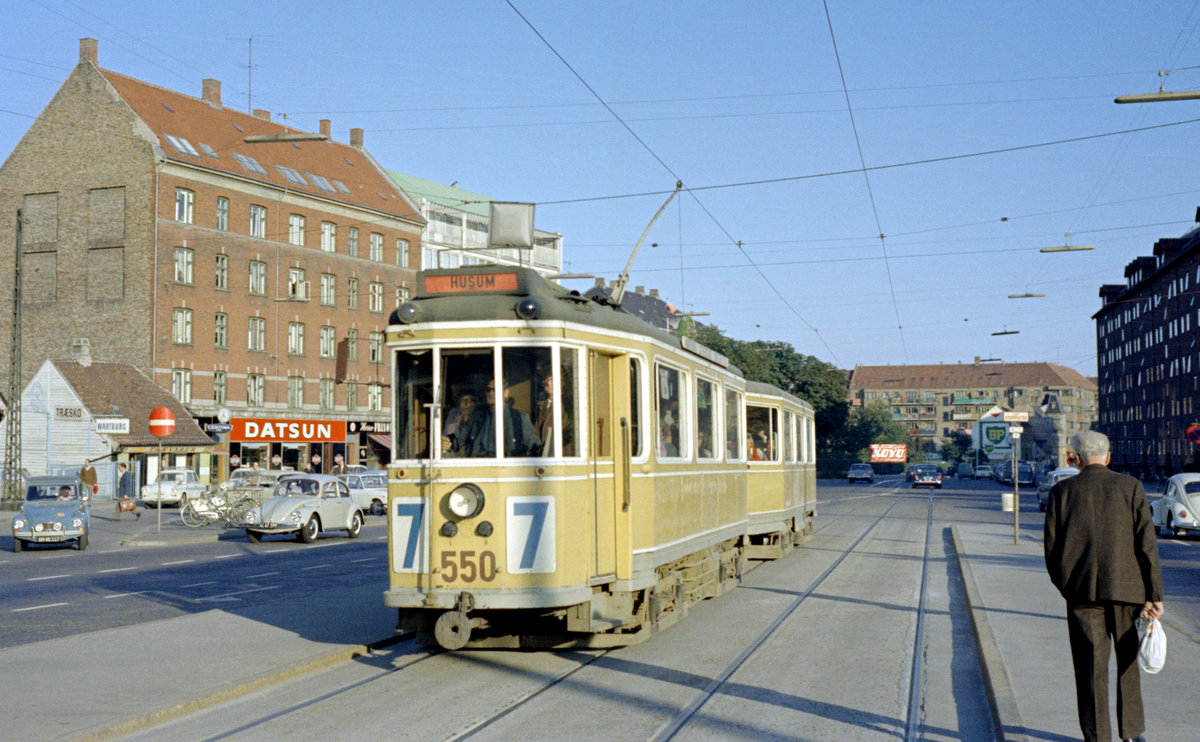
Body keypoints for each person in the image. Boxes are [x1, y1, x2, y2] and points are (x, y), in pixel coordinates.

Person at [1044, 430, 1163, 742]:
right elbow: (1147, 546)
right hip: (1128, 591)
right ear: (1108, 457)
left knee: (1090, 668)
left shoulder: (1062, 492)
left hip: (1082, 594)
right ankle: (1132, 733)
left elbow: (1052, 551)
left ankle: (1098, 737)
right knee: (1127, 663)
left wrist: (1068, 587)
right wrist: (1154, 595)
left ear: (1077, 459)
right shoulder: (1131, 487)